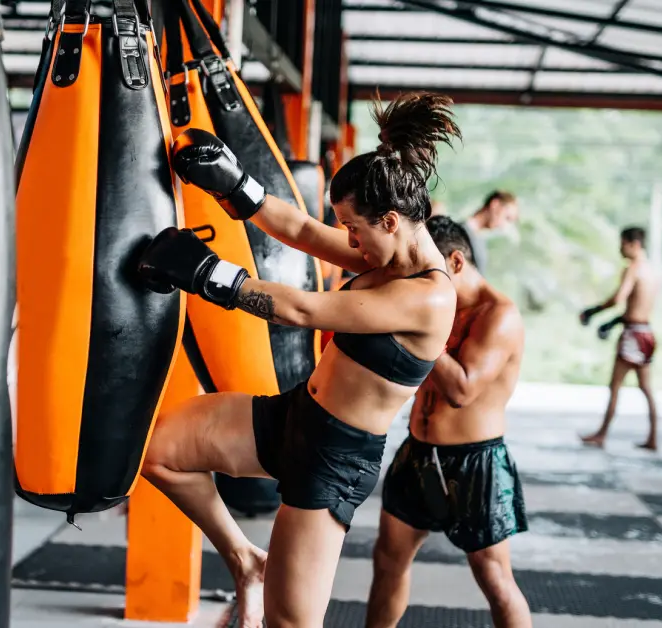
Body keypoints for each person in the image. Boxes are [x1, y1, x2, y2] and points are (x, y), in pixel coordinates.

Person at [134, 92, 461, 628]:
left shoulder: (428, 296)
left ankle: (261, 578)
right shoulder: (384, 253)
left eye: (355, 228)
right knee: (160, 452)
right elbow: (305, 231)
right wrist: (238, 186)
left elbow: (302, 310)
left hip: (332, 460)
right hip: (293, 417)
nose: (350, 240)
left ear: (391, 220)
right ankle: (245, 560)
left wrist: (209, 275)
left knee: (289, 624)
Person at [365, 216, 531, 628]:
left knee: (493, 577)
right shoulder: (442, 305)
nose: (421, 286)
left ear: (455, 261)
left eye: (429, 273)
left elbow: (462, 390)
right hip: (418, 451)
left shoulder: (499, 315)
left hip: (475, 463)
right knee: (387, 562)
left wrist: (415, 327)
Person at [579, 226, 662, 451]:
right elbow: (637, 308)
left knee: (615, 386)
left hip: (633, 334)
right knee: (646, 388)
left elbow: (618, 299)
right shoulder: (652, 271)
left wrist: (593, 311)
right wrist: (613, 322)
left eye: (622, 244)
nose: (620, 249)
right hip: (646, 332)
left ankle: (602, 434)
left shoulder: (633, 269)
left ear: (634, 245)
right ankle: (653, 437)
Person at [462, 190, 520, 275]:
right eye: (507, 218)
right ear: (495, 205)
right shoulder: (460, 233)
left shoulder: (479, 239)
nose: (504, 226)